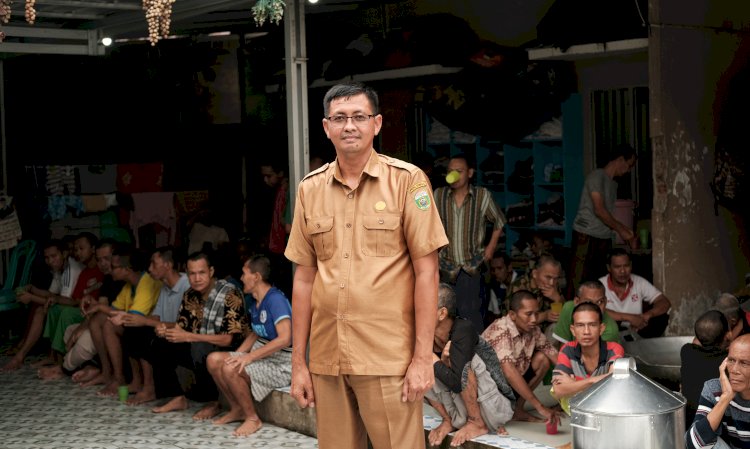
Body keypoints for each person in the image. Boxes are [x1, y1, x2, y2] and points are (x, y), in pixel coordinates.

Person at [284, 81, 449, 449]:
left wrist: (423, 358)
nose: (349, 126)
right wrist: (299, 363)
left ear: (376, 124)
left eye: (359, 117)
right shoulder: (309, 189)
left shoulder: (407, 182)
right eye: (339, 118)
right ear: (326, 128)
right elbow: (304, 280)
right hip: (328, 359)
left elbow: (427, 273)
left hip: (387, 357)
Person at [149, 251, 250, 421]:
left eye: (201, 273)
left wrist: (189, 337)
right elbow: (182, 328)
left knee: (199, 347)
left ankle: (212, 402)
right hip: (199, 344)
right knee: (159, 343)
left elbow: (228, 339)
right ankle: (177, 397)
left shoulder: (229, 293)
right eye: (192, 274)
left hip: (229, 350)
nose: (197, 278)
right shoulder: (190, 294)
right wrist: (165, 329)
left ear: (211, 272)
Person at [207, 255, 292, 437]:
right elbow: (255, 333)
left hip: (281, 365)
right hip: (264, 358)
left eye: (245, 273)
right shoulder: (255, 301)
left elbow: (285, 338)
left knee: (231, 368)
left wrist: (248, 357)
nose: (241, 277)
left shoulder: (275, 300)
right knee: (214, 360)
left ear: (256, 276)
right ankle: (237, 409)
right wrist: (237, 354)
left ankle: (252, 418)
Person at [425, 283, 514, 447]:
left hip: (493, 407)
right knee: (418, 366)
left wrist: (433, 360)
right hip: (458, 410)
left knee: (462, 359)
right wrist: (435, 362)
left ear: (442, 313)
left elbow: (458, 381)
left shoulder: (463, 328)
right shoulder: (424, 335)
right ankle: (448, 420)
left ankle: (476, 422)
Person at [434, 153, 506, 333]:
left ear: (470, 173)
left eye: (459, 171)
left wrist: (490, 248)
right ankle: (450, 357)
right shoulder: (439, 195)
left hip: (472, 266)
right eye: (450, 171)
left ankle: (474, 359)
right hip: (446, 266)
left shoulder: (482, 196)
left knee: (472, 318)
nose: (454, 175)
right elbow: (427, 223)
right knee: (445, 317)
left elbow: (499, 221)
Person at [81, 243, 162, 396]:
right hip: (138, 324)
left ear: (127, 269)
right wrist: (98, 307)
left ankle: (129, 380)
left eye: (114, 266)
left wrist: (99, 307)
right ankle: (112, 375)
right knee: (102, 320)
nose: (110, 270)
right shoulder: (128, 286)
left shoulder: (146, 282)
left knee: (113, 325)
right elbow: (116, 310)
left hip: (152, 326)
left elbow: (133, 317)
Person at [119, 246, 190, 405]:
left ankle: (150, 388)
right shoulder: (165, 287)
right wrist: (130, 318)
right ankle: (140, 382)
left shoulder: (187, 285)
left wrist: (144, 321)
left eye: (154, 263)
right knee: (132, 330)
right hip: (166, 331)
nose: (150, 268)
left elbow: (184, 325)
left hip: (184, 336)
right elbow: (156, 317)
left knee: (145, 333)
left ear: (168, 265)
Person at [1, 238, 83, 372]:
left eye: (54, 256)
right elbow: (51, 294)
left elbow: (64, 301)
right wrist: (32, 289)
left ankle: (21, 356)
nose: (50, 261)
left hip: (75, 307)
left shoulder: (70, 269)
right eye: (47, 258)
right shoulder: (59, 270)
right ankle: (45, 356)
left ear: (64, 254)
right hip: (65, 303)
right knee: (41, 309)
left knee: (44, 310)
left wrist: (31, 297)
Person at [481, 290, 561, 427]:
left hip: (507, 385)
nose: (534, 319)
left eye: (536, 313)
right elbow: (509, 372)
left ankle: (517, 409)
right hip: (486, 390)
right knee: (511, 371)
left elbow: (552, 353)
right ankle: (501, 410)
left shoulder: (532, 329)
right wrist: (539, 407)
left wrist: (577, 385)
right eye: (529, 314)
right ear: (512, 315)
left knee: (543, 359)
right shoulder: (501, 330)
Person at [569, 143, 638, 296]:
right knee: (578, 282)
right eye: (629, 164)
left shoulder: (612, 184)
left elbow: (608, 215)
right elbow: (599, 210)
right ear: (620, 159)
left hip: (602, 236)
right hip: (585, 235)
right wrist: (621, 230)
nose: (629, 169)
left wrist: (626, 231)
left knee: (598, 284)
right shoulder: (597, 176)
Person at [37, 232, 104, 379]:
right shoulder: (85, 272)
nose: (77, 253)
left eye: (81, 248)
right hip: (84, 311)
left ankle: (62, 365)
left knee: (66, 313)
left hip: (95, 315)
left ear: (93, 249)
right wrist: (55, 299)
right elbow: (75, 300)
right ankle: (57, 357)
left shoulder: (102, 270)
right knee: (55, 309)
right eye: (75, 249)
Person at [550, 302, 624, 413]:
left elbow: (614, 383)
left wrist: (574, 383)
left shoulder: (614, 349)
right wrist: (596, 381)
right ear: (573, 330)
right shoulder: (568, 350)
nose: (586, 332)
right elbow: (558, 390)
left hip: (609, 411)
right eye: (580, 325)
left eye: (592, 325)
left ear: (601, 328)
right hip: (579, 412)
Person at [686, 334, 750, 449]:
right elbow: (692, 444)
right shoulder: (715, 388)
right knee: (701, 439)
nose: (734, 370)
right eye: (731, 360)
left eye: (744, 363)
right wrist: (725, 398)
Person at [600, 248, 671, 338]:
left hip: (636, 329)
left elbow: (664, 302)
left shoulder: (639, 282)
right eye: (617, 267)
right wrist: (629, 318)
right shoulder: (600, 285)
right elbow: (594, 309)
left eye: (626, 266)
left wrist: (647, 316)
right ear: (609, 268)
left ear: (631, 265)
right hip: (609, 331)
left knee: (661, 318)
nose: (622, 271)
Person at [681, 310, 730, 427]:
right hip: (714, 421)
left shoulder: (686, 351)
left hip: (689, 419)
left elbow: (697, 341)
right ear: (726, 336)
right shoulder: (727, 360)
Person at [508, 252, 565, 336]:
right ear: (535, 274)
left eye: (555, 278)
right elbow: (514, 321)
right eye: (548, 277)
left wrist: (557, 298)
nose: (552, 283)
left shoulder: (554, 287)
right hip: (520, 333)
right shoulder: (519, 287)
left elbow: (560, 316)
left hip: (543, 334)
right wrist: (545, 316)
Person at [260, 157, 293, 298]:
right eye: (264, 176)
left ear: (280, 173)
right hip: (275, 249)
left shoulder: (289, 190)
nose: (265, 180)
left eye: (269, 176)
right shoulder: (278, 189)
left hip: (285, 250)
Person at [552, 280, 621, 345]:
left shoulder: (610, 330)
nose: (595, 308)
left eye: (600, 302)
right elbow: (563, 347)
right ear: (576, 302)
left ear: (605, 302)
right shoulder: (568, 308)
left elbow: (589, 356)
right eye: (588, 302)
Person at [480, 251, 519, 329]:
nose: (496, 272)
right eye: (493, 269)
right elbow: (496, 315)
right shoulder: (495, 288)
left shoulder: (522, 281)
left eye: (499, 268)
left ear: (509, 267)